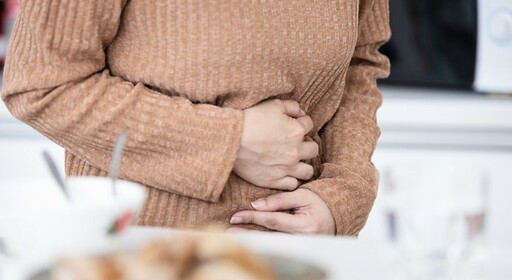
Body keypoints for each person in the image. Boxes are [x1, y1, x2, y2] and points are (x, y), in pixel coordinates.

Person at [2, 0, 390, 236]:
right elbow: (42, 85)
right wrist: (228, 141)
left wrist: (344, 193)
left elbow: (360, 62)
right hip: (143, 268)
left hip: (304, 263)